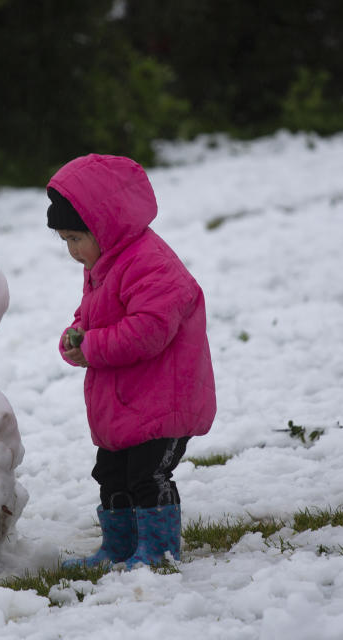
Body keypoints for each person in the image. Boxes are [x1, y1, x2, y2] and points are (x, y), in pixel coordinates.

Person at [47, 154, 216, 568]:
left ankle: (158, 551)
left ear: (104, 226)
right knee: (111, 474)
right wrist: (75, 337)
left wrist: (92, 344)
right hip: (127, 404)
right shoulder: (104, 262)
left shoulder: (152, 265)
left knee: (147, 476)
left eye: (75, 238)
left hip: (164, 403)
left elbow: (149, 329)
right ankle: (119, 547)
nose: (72, 251)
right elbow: (92, 318)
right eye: (65, 240)